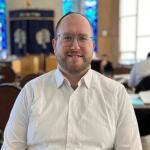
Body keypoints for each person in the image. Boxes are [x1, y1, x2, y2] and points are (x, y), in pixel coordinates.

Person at [2, 12, 142, 150]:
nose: (75, 46)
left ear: (93, 45)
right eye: (67, 37)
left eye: (82, 38)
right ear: (54, 45)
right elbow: (11, 147)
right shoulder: (31, 91)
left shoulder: (116, 93)